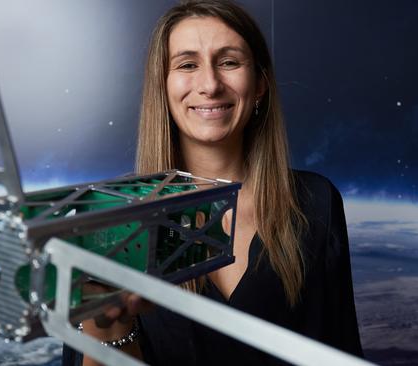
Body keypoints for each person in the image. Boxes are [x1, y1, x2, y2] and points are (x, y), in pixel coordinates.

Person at [63, 0, 363, 364]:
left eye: (229, 62)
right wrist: (107, 324)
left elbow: (340, 352)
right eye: (188, 64)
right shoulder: (113, 214)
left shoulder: (316, 202)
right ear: (163, 85)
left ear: (260, 84)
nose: (210, 84)